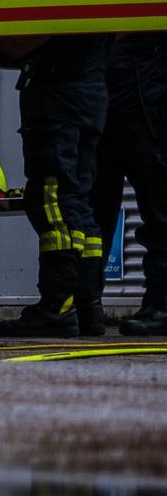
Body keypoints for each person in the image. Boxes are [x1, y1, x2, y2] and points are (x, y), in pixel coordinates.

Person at [0, 36, 112, 337]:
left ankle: (58, 307)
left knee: (52, 201)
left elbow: (16, 45)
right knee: (78, 202)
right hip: (90, 94)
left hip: (58, 98)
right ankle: (88, 307)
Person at [91, 34, 167, 335]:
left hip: (149, 94)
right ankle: (86, 305)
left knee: (161, 211)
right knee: (92, 214)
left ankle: (161, 305)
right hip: (108, 91)